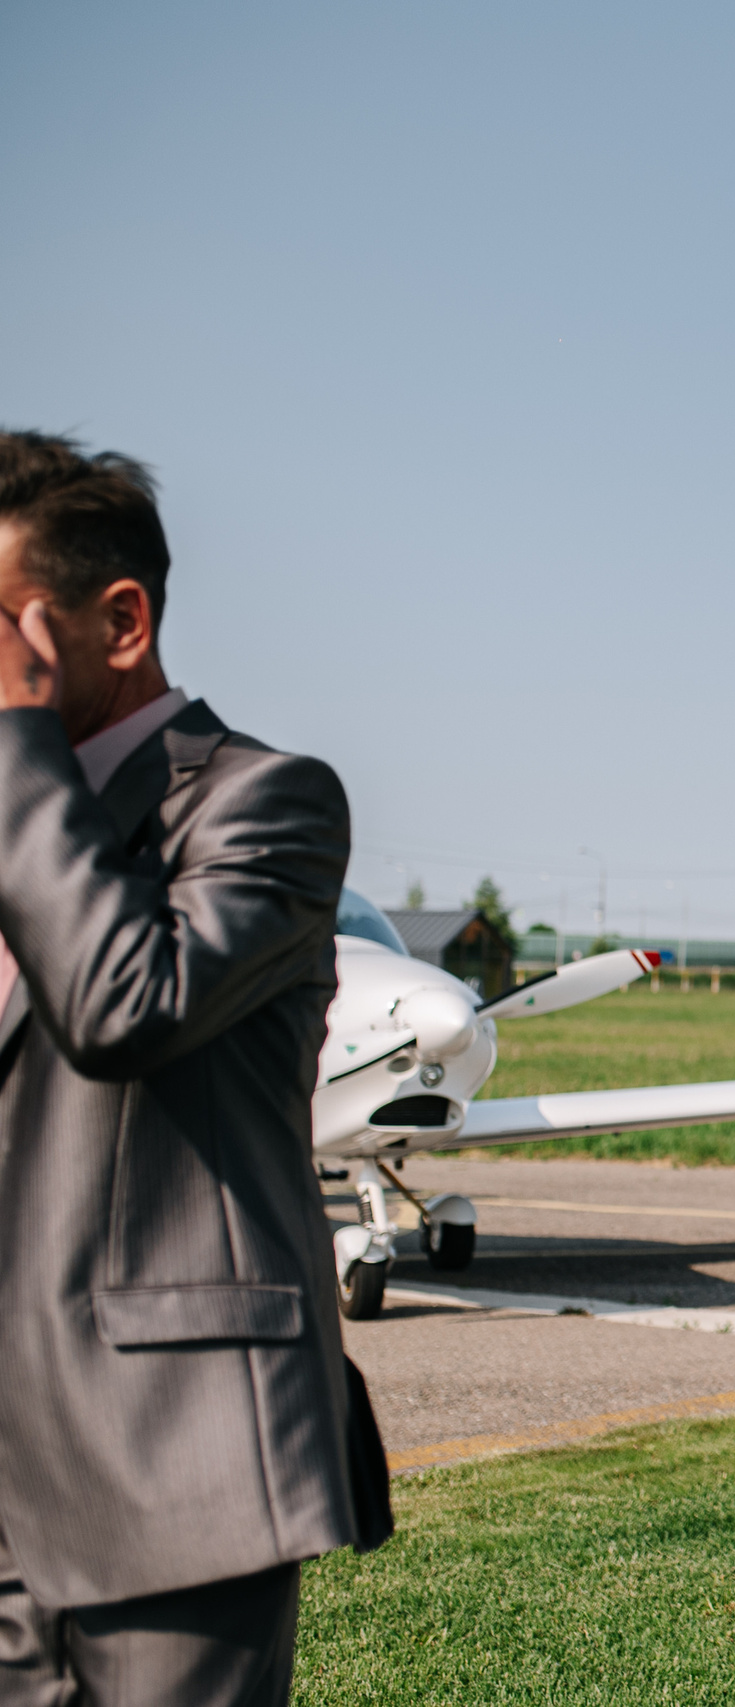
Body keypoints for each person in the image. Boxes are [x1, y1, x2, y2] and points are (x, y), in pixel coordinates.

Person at [0, 432, 370, 1705]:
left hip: (168, 1468)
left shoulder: (264, 804)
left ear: (119, 619)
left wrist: (15, 745)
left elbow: (124, 1006)